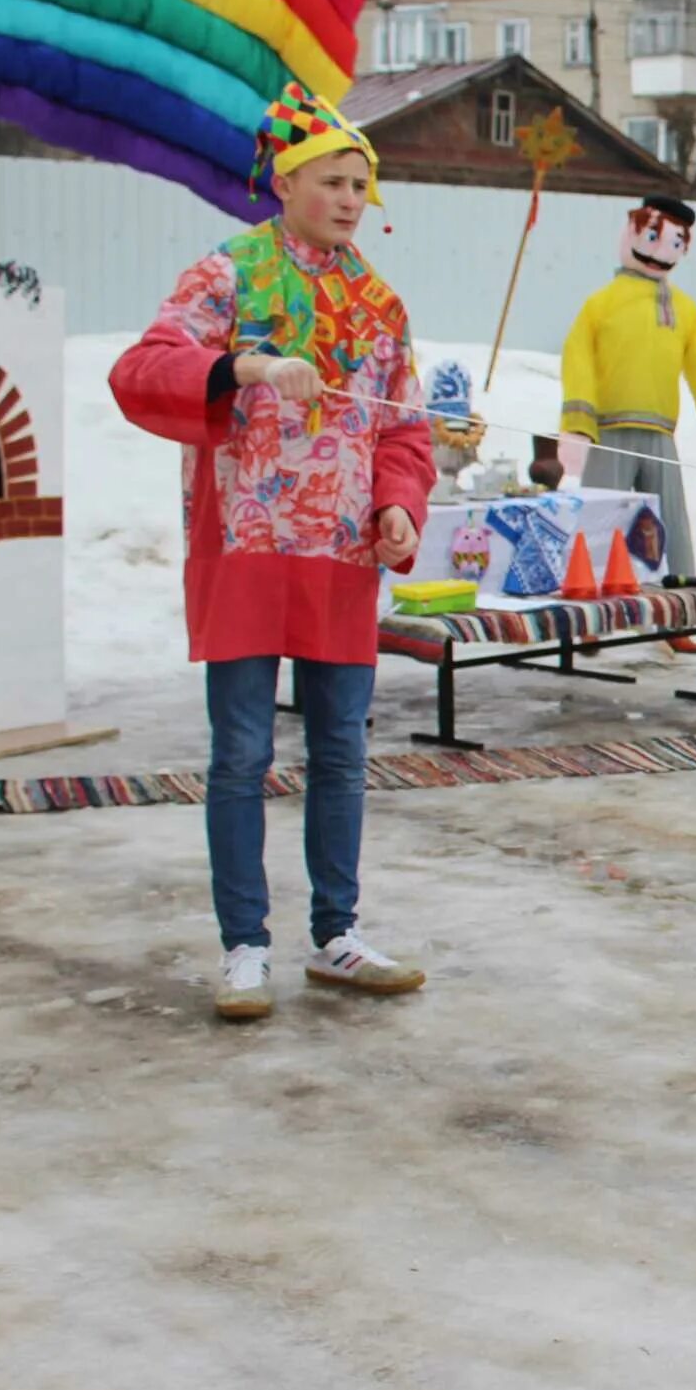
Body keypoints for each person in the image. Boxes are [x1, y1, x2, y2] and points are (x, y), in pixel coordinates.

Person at [109, 81, 434, 1021]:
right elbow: (141, 370)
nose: (347, 200)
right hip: (246, 542)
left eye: (359, 185)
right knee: (240, 753)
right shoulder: (229, 274)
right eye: (330, 180)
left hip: (340, 555)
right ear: (286, 181)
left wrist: (400, 506)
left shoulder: (378, 303)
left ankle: (337, 931)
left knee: (340, 751)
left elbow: (403, 432)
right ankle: (244, 945)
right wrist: (244, 365)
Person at [556, 197, 696, 579]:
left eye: (676, 243)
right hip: (609, 432)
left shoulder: (685, 310)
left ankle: (680, 611)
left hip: (661, 436)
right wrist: (577, 427)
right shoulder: (600, 305)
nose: (663, 251)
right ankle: (590, 609)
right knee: (599, 521)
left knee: (671, 524)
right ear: (631, 232)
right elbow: (577, 361)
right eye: (653, 236)